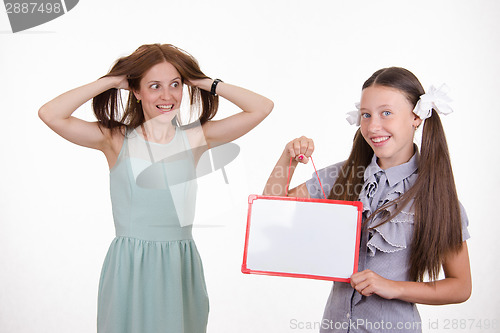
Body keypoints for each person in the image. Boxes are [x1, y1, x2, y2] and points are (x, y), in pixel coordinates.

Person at [39, 43, 273, 333]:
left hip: (179, 266)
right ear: (136, 91)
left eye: (175, 84)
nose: (167, 96)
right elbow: (50, 113)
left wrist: (201, 81)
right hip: (129, 266)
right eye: (154, 86)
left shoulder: (196, 138)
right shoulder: (115, 139)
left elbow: (262, 107)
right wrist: (112, 81)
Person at [263, 67, 471, 332]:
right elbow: (269, 208)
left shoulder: (434, 196)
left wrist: (393, 287)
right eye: (366, 115)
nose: (373, 126)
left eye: (386, 113)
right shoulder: (345, 175)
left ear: (416, 116)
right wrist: (288, 159)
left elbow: (460, 286)